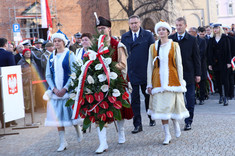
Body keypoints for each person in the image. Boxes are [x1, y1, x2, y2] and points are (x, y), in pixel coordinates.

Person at [94, 16, 133, 154]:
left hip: (117, 81)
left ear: (109, 29)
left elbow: (122, 64)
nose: (101, 31)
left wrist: (108, 68)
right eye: (98, 29)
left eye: (103, 28)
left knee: (120, 109)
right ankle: (103, 142)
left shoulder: (118, 45)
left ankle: (121, 132)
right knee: (100, 111)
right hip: (99, 82)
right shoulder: (96, 45)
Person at [147, 20, 189, 145]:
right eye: (159, 30)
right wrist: (149, 83)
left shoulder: (174, 45)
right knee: (161, 109)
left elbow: (179, 64)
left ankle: (175, 122)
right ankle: (167, 134)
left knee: (171, 106)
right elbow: (150, 66)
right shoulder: (153, 47)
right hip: (158, 81)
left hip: (172, 79)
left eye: (163, 29)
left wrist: (181, 81)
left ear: (167, 31)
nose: (161, 32)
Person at [44, 31, 82, 152]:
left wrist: (65, 88)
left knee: (72, 115)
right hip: (55, 93)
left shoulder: (70, 55)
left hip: (68, 91)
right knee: (58, 118)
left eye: (59, 41)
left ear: (64, 42)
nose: (56, 43)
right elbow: (48, 75)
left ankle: (77, 129)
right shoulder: (51, 56)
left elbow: (75, 72)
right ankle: (62, 141)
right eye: (55, 41)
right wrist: (54, 89)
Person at [121, 15, 156, 134]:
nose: (134, 25)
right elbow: (122, 54)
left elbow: (153, 52)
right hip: (132, 72)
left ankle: (151, 116)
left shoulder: (147, 35)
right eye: (132, 23)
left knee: (147, 97)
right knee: (134, 100)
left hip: (145, 71)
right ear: (129, 24)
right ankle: (137, 124)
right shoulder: (125, 37)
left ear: (140, 23)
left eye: (136, 23)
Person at [169, 17, 201, 131]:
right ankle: (176, 120)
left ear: (185, 25)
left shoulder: (192, 40)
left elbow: (196, 58)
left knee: (190, 99)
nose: (178, 27)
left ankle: (188, 121)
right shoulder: (170, 39)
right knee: (176, 100)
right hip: (174, 74)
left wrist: (198, 74)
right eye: (176, 25)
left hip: (189, 74)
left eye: (180, 25)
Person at [207, 24, 232, 106]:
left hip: (224, 62)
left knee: (225, 80)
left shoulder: (225, 38)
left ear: (220, 29)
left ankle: (226, 97)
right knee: (218, 80)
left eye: (217, 28)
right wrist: (210, 63)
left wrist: (229, 62)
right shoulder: (211, 39)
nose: (215, 30)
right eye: (214, 28)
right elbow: (209, 52)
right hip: (215, 62)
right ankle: (221, 95)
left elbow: (228, 50)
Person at [188, 27, 207, 105]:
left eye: (190, 31)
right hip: (191, 64)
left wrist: (195, 58)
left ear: (194, 32)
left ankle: (202, 97)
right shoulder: (189, 40)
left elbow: (202, 52)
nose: (188, 33)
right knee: (192, 82)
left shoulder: (202, 41)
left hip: (201, 64)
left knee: (201, 81)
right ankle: (194, 97)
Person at [0, 38, 16, 128]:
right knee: (7, 101)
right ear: (5, 44)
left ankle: (4, 122)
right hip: (6, 81)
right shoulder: (8, 54)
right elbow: (12, 69)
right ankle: (7, 121)